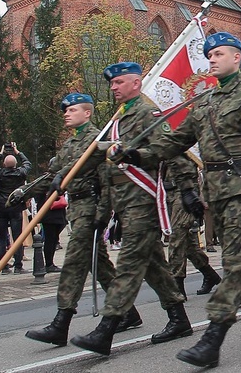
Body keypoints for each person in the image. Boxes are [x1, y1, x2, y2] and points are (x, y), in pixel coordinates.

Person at [113, 33, 241, 368]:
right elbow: (174, 142)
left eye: (219, 54)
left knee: (237, 264)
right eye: (209, 55)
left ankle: (212, 338)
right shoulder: (205, 101)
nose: (211, 59)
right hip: (217, 192)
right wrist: (136, 154)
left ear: (237, 57)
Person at [70, 66, 192, 356]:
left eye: (119, 82)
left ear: (137, 83)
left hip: (143, 201)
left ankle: (106, 330)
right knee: (153, 265)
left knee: (127, 264)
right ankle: (179, 319)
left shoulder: (148, 114)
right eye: (112, 83)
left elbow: (171, 150)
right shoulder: (119, 118)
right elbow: (110, 167)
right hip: (125, 201)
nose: (113, 87)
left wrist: (188, 188)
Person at [26, 92, 141, 349]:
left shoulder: (97, 140)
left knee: (74, 264)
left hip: (90, 206)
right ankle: (129, 312)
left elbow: (107, 179)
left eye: (72, 109)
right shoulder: (70, 144)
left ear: (87, 113)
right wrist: (25, 193)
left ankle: (61, 322)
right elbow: (54, 176)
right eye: (65, 110)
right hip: (75, 207)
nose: (66, 113)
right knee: (99, 266)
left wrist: (103, 212)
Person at [162, 156, 222, 298]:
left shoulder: (180, 138)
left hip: (184, 190)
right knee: (187, 243)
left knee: (177, 236)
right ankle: (209, 274)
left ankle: (177, 285)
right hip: (168, 191)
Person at [0, 143, 31, 274]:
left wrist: (1, 153)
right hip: (15, 206)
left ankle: (3, 266)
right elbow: (27, 163)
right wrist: (18, 152)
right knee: (17, 236)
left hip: (1, 206)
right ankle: (18, 265)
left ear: (4, 164)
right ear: (15, 165)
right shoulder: (20, 173)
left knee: (2, 237)